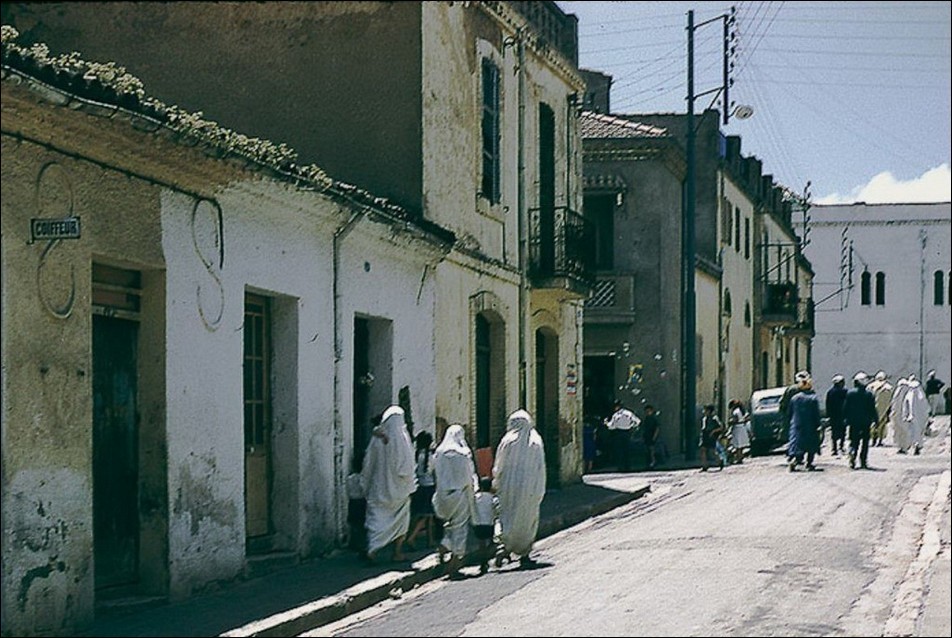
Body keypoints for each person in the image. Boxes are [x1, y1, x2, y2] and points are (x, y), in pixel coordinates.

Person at [360, 405, 417, 562]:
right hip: (399, 491)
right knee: (400, 521)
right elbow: (407, 467)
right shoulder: (403, 439)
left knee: (376, 520)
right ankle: (397, 552)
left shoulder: (376, 439)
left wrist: (367, 483)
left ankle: (372, 548)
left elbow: (368, 463)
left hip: (379, 490)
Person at [493, 409, 546, 568]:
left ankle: (504, 547)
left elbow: (499, 465)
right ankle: (524, 552)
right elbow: (540, 467)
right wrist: (539, 488)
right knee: (527, 518)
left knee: (507, 516)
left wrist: (496, 482)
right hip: (529, 488)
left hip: (509, 487)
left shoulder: (507, 440)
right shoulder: (535, 440)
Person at [431, 424, 478, 576]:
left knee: (448, 525)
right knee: (459, 528)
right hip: (459, 495)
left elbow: (433, 472)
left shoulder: (439, 452)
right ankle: (454, 563)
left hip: (442, 495)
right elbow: (468, 476)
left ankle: (444, 546)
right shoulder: (463, 453)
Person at [405, 430, 436, 550]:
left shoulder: (415, 455)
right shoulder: (431, 457)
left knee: (417, 514)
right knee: (428, 515)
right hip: (429, 487)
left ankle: (430, 540)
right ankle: (412, 537)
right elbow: (435, 473)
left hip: (418, 487)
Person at [787, 372, 822, 472]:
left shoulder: (795, 398)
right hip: (810, 426)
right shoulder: (813, 398)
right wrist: (818, 424)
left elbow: (790, 412)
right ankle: (809, 463)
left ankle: (794, 460)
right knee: (811, 445)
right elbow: (816, 414)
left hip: (796, 425)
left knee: (797, 444)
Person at [843, 372, 878, 470]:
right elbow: (872, 409)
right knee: (865, 443)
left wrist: (845, 419)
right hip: (866, 423)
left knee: (854, 441)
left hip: (853, 423)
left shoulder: (850, 393)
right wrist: (876, 420)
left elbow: (845, 408)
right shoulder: (869, 394)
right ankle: (863, 461)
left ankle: (852, 455)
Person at [471, 476, 497, 574]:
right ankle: (488, 558)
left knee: (481, 544)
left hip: (478, 524)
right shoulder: (492, 498)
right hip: (489, 524)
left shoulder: (475, 497)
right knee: (491, 542)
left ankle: (483, 562)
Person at [604, 400, 639, 472]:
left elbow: (612, 426)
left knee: (619, 450)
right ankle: (628, 467)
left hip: (619, 433)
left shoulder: (616, 415)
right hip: (627, 433)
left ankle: (621, 467)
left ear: (617, 407)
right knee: (627, 450)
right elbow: (637, 421)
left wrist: (606, 423)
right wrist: (631, 426)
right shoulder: (629, 413)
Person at [900, 374, 930, 455]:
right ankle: (917, 446)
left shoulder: (909, 394)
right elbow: (926, 407)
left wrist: (905, 415)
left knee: (913, 432)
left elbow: (905, 406)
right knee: (919, 432)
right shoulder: (921, 395)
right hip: (920, 418)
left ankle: (913, 446)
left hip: (912, 417)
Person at [866, 370, 893, 447]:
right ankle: (880, 440)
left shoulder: (870, 386)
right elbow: (890, 400)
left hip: (872, 409)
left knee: (873, 425)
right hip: (884, 410)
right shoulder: (888, 387)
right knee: (882, 425)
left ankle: (873, 440)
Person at [825, 374, 848, 456]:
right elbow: (847, 404)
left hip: (833, 416)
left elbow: (827, 404)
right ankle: (841, 446)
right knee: (842, 432)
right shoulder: (844, 391)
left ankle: (834, 448)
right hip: (842, 415)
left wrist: (828, 415)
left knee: (834, 432)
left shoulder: (830, 392)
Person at [698, 404, 724, 472]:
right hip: (704, 435)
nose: (704, 411)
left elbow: (720, 427)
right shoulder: (704, 418)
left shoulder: (714, 418)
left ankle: (720, 461)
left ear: (709, 411)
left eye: (705, 410)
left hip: (711, 435)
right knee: (703, 449)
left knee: (712, 451)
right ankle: (704, 465)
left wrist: (713, 432)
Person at [641, 404, 661, 469]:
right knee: (647, 450)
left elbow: (657, 428)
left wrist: (654, 437)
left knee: (652, 449)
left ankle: (653, 461)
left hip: (652, 436)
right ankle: (649, 462)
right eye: (646, 411)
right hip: (647, 436)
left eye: (649, 411)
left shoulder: (654, 418)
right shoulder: (646, 418)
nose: (647, 412)